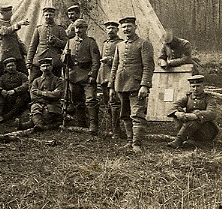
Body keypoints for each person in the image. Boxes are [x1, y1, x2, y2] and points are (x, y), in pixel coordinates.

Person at [109, 17, 155, 153]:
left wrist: (145, 85)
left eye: (129, 26)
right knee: (124, 114)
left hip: (136, 85)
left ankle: (137, 144)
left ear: (135, 26)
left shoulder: (144, 44)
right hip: (121, 85)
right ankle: (129, 141)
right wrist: (111, 86)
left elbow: (148, 66)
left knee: (137, 114)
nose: (126, 29)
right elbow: (115, 66)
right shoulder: (120, 45)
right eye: (123, 27)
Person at [63, 19, 101, 132]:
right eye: (77, 28)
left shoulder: (91, 42)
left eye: (81, 28)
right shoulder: (69, 41)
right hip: (73, 76)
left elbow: (96, 61)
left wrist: (92, 76)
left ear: (86, 29)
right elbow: (63, 60)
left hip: (86, 75)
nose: (78, 30)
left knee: (90, 100)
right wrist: (66, 56)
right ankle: (81, 123)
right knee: (77, 101)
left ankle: (93, 124)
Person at [165, 75, 219, 148]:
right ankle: (188, 139)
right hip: (190, 128)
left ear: (203, 86)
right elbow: (172, 107)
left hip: (206, 131)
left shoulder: (209, 99)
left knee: (195, 117)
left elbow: (212, 113)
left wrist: (196, 115)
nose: (195, 89)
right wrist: (177, 113)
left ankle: (178, 141)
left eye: (198, 86)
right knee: (177, 111)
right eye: (193, 86)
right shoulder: (188, 97)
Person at [18, 58, 64, 130]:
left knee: (46, 114)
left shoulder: (58, 80)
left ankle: (34, 124)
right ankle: (39, 125)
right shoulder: (36, 81)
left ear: (52, 67)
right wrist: (49, 95)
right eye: (43, 66)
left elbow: (57, 94)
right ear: (40, 68)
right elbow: (33, 96)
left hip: (52, 104)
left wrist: (41, 93)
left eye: (48, 66)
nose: (46, 68)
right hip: (38, 104)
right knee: (35, 109)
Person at [25, 6, 68, 82]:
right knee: (33, 81)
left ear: (54, 15)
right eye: (46, 15)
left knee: (56, 82)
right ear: (43, 15)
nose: (48, 17)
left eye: (50, 15)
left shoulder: (60, 29)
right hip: (39, 60)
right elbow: (33, 46)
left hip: (54, 62)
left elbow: (65, 44)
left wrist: (56, 41)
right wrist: (29, 61)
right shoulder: (38, 29)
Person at [98, 20, 124, 138]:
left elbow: (122, 60)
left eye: (113, 28)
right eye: (108, 28)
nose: (110, 30)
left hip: (114, 77)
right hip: (104, 77)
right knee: (106, 103)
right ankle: (110, 128)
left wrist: (109, 59)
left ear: (117, 30)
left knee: (115, 103)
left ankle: (116, 130)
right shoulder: (104, 43)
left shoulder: (121, 43)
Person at [0, 58, 30, 123]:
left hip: (19, 96)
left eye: (12, 65)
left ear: (16, 66)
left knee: (23, 96)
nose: (11, 68)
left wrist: (15, 90)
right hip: (8, 97)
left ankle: (9, 116)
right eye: (8, 66)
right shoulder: (3, 77)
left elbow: (26, 85)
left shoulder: (22, 75)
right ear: (5, 68)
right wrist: (1, 90)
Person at [0, 5, 29, 74]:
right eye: (9, 12)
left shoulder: (9, 23)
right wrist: (18, 24)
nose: (11, 14)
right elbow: (5, 31)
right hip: (7, 54)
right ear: (2, 13)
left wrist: (25, 51)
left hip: (17, 54)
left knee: (23, 72)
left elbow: (17, 39)